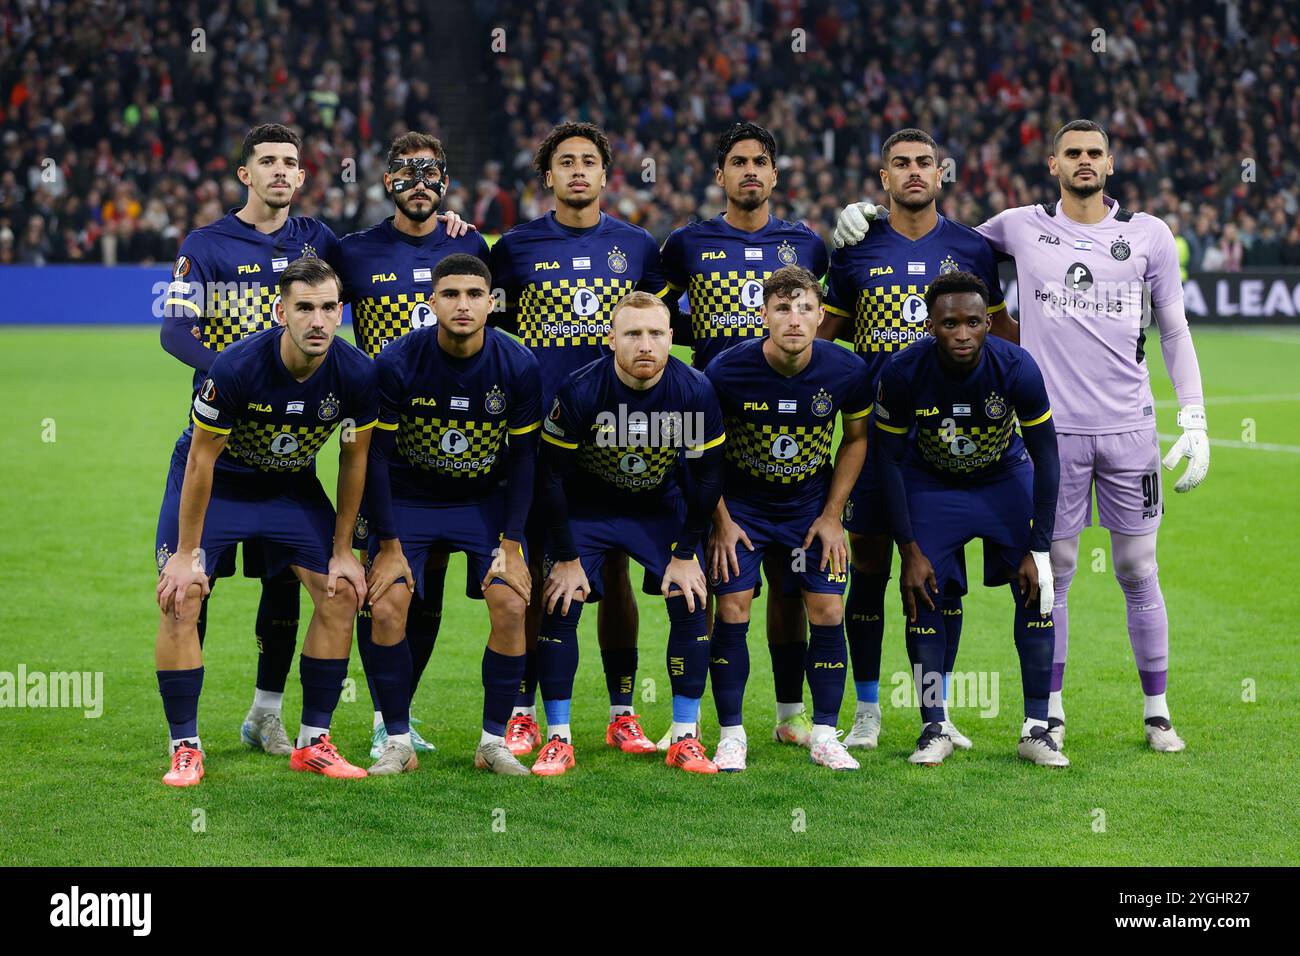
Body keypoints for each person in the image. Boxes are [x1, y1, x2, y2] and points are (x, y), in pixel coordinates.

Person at [821, 128, 1011, 751]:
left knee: (938, 578)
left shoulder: (973, 248)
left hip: (949, 447)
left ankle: (938, 709)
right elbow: (825, 335)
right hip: (877, 443)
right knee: (871, 570)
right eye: (899, 163)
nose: (913, 173)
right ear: (883, 178)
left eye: (924, 163)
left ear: (941, 172)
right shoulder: (854, 250)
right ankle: (870, 710)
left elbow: (1003, 336)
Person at [154, 258, 377, 785]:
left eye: (327, 308)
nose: (317, 320)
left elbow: (354, 459)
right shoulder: (235, 367)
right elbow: (201, 461)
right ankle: (185, 745)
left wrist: (344, 548)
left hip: (289, 486)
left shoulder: (358, 373)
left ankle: (313, 741)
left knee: (341, 590)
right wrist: (187, 556)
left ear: (340, 312)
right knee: (182, 596)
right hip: (222, 485)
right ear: (281, 312)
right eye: (304, 308)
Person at [159, 123, 341, 759]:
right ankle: (186, 737)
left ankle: (268, 715)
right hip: (223, 443)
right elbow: (174, 334)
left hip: (290, 461)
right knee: (191, 585)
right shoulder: (206, 245)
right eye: (268, 161)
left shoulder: (317, 240)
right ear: (246, 174)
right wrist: (240, 377)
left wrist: (449, 226)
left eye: (291, 162)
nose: (282, 172)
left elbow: (376, 267)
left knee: (287, 584)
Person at [489, 123, 669, 757]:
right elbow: (495, 335)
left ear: (605, 173)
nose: (577, 172)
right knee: (539, 570)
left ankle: (622, 711)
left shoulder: (638, 246)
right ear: (548, 176)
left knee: (614, 570)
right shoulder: (513, 248)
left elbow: (660, 330)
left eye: (588, 162)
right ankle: (522, 711)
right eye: (564, 162)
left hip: (620, 438)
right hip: (540, 439)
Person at [659, 122, 830, 749]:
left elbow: (823, 320)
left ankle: (789, 716)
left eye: (761, 161)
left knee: (788, 587)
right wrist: (704, 353)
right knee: (713, 580)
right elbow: (652, 315)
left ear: (776, 174)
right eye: (738, 162)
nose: (750, 171)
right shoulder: (687, 243)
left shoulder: (806, 244)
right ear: (720, 175)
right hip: (710, 435)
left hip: (785, 430)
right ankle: (692, 719)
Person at [872, 271, 1065, 767]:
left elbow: (1048, 458)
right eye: (950, 323)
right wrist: (908, 549)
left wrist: (1038, 548)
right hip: (932, 483)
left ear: (987, 323)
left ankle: (1037, 728)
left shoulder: (1017, 367)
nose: (962, 334)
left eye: (974, 323)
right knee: (922, 595)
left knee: (1038, 588)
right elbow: (888, 461)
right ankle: (933, 726)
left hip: (1003, 479)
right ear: (930, 324)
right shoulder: (902, 372)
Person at [532, 292, 725, 775]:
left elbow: (706, 478)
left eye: (655, 334)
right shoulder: (578, 390)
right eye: (633, 334)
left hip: (657, 506)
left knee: (691, 596)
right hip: (588, 508)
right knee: (560, 598)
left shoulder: (695, 389)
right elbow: (550, 477)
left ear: (670, 339)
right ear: (610, 338)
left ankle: (685, 737)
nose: (645, 344)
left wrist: (684, 553)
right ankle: (558, 738)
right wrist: (567, 557)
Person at [363, 254, 541, 776]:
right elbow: (376, 456)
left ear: (491, 302)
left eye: (473, 295)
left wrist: (511, 543)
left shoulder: (518, 364)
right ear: (431, 302)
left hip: (482, 502)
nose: (462, 305)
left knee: (510, 605)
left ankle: (492, 742)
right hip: (410, 501)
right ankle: (396, 740)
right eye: (450, 295)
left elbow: (526, 458)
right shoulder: (396, 362)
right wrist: (389, 545)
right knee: (389, 606)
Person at [337, 130, 483, 759]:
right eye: (406, 173)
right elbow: (303, 305)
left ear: (445, 183)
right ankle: (382, 718)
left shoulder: (470, 244)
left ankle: (399, 712)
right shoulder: (354, 251)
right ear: (386, 181)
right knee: (384, 584)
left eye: (431, 175)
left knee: (431, 587)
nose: (419, 185)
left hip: (453, 447)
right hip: (381, 445)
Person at [704, 266, 871, 771]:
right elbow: (703, 450)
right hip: (743, 509)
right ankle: (732, 736)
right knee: (733, 608)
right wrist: (722, 522)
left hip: (808, 508)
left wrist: (832, 515)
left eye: (804, 308)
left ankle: (823, 734)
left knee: (827, 610)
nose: (794, 319)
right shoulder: (725, 371)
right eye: (782, 308)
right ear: (764, 316)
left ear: (822, 316)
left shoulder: (847, 371)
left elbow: (858, 439)